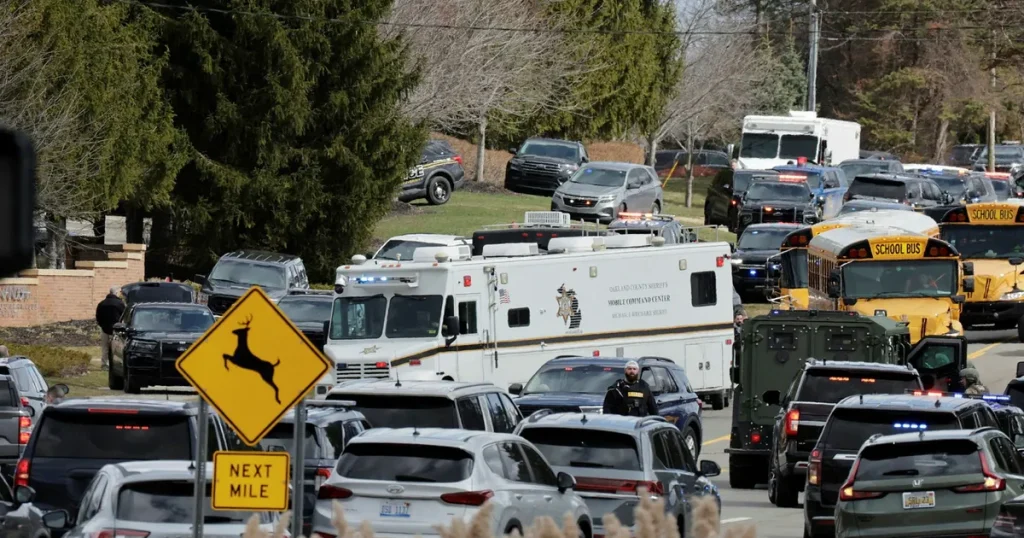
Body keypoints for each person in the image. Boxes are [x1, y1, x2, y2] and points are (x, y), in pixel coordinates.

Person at [95, 286, 125, 370]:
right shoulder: (120, 303)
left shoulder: (101, 303)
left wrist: (102, 325)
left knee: (105, 348)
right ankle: (115, 365)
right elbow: (124, 316)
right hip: (116, 329)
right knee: (116, 349)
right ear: (116, 293)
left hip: (104, 328)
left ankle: (104, 364)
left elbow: (98, 317)